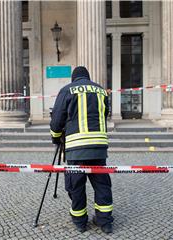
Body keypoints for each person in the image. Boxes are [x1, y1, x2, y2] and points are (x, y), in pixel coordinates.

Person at [49, 66, 113, 234]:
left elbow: (56, 120)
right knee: (102, 184)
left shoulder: (66, 90)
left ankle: (80, 221)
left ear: (73, 78)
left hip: (76, 147)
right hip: (99, 147)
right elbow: (105, 113)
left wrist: (56, 137)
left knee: (76, 185)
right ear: (88, 77)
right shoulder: (100, 90)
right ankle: (105, 221)